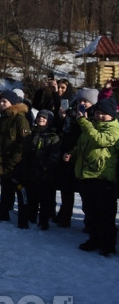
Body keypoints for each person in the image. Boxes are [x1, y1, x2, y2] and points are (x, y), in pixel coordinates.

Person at [69, 99, 119, 256]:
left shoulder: (114, 129)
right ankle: (94, 239)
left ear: (112, 115)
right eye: (98, 113)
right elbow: (82, 144)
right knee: (90, 212)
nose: (100, 116)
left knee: (105, 214)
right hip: (87, 175)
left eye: (104, 114)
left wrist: (84, 122)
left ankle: (107, 245)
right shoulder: (91, 125)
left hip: (103, 176)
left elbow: (100, 140)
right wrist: (72, 153)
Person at [0, 90, 31, 228]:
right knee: (5, 189)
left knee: (20, 191)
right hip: (3, 162)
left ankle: (23, 219)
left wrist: (13, 162)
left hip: (17, 164)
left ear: (13, 103)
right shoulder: (0, 120)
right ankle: (2, 212)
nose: (1, 104)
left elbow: (24, 145)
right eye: (0, 102)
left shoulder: (20, 120)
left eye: (4, 101)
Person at [55, 88, 99, 227]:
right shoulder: (72, 112)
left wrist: (82, 120)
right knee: (66, 188)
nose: (82, 103)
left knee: (86, 192)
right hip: (68, 152)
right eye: (80, 100)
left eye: (86, 101)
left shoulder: (95, 115)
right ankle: (65, 216)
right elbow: (63, 131)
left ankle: (90, 222)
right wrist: (62, 118)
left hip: (84, 156)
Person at [23, 109, 62, 230]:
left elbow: (55, 155)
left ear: (49, 121)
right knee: (32, 196)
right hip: (32, 171)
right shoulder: (32, 133)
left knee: (45, 199)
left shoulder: (53, 136)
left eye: (44, 118)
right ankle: (32, 216)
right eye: (39, 117)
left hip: (46, 173)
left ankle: (44, 220)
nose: (41, 119)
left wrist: (45, 168)